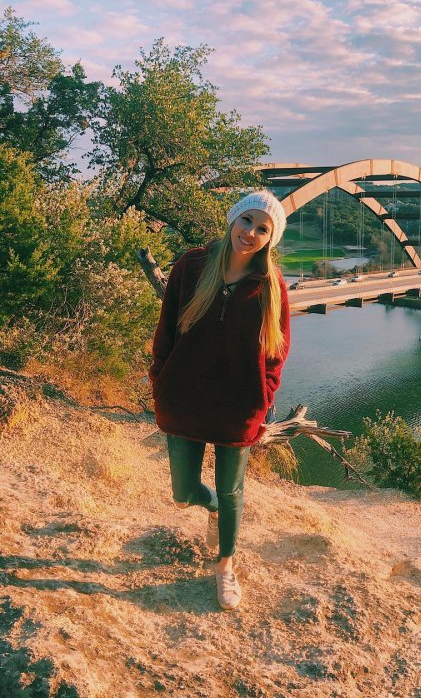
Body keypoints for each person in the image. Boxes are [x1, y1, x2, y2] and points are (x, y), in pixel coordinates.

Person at [149, 190, 290, 610]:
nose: (250, 233)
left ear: (270, 239)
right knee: (182, 492)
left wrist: (263, 401)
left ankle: (225, 566)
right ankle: (210, 511)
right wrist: (161, 378)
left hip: (238, 405)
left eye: (262, 229)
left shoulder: (271, 285)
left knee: (231, 490)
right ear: (233, 219)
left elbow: (276, 355)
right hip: (185, 396)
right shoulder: (192, 265)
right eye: (246, 221)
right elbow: (166, 329)